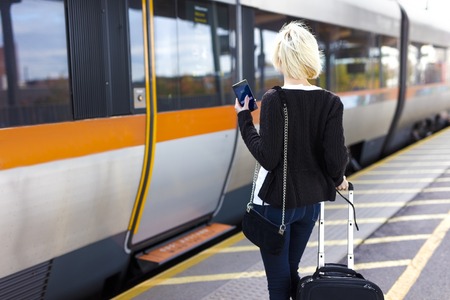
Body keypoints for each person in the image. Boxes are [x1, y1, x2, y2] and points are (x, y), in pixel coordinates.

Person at [234, 21, 349, 300]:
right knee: (291, 271)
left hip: (276, 206)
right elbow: (335, 157)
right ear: (310, 57)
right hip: (310, 206)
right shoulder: (331, 101)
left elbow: (268, 158)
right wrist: (339, 180)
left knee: (278, 281)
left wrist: (244, 118)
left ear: (281, 58)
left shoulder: (275, 99)